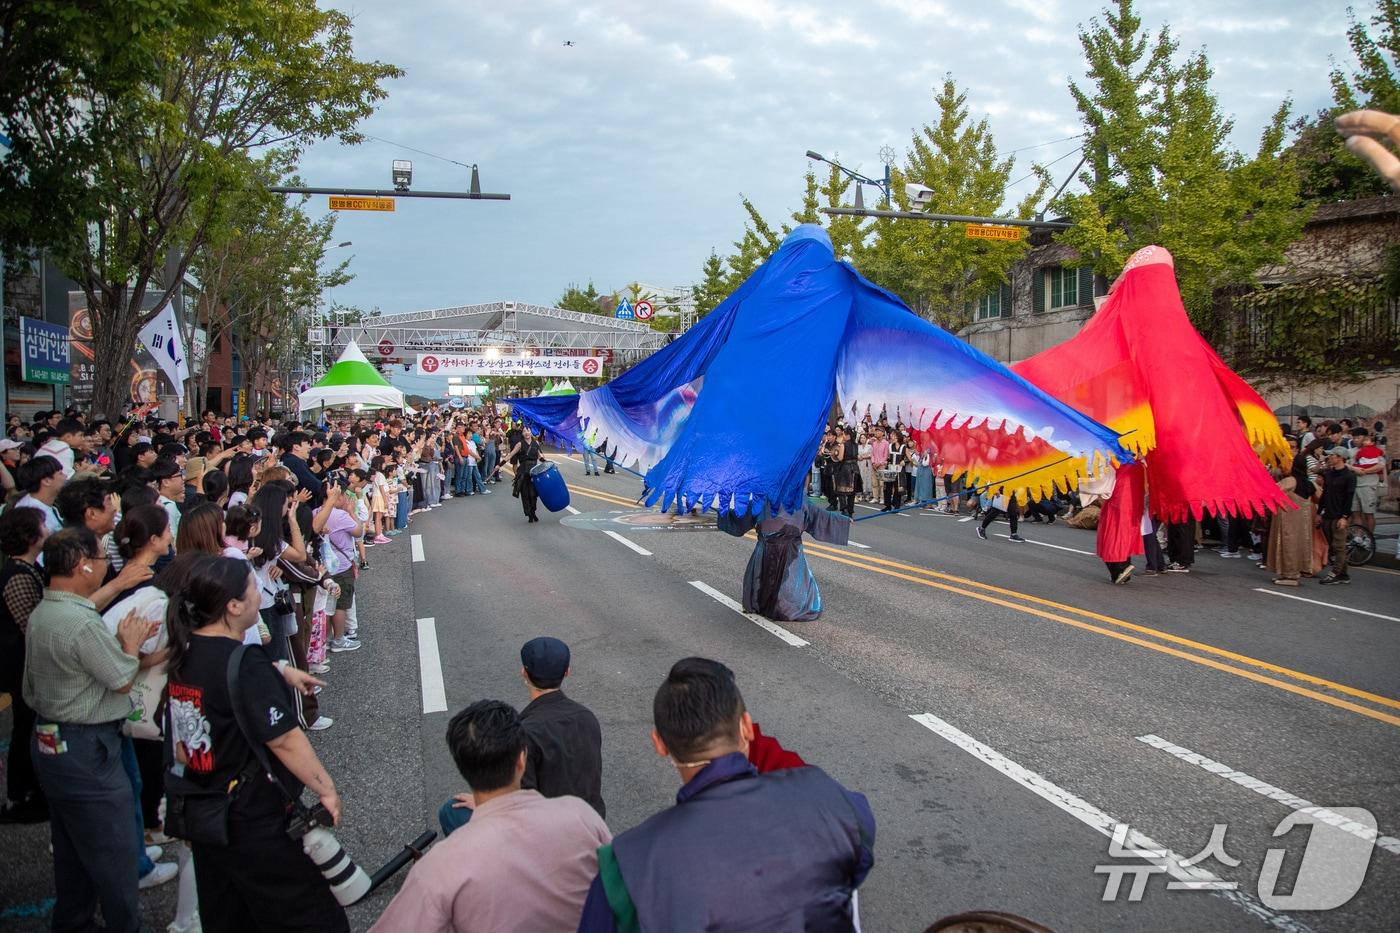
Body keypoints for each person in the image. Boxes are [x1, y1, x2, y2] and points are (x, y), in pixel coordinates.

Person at [577, 658, 875, 933]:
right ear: (746, 726)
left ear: (659, 743)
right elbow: (856, 864)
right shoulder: (832, 800)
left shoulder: (627, 864)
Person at [161, 555, 343, 933]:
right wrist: (325, 789)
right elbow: (285, 740)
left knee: (229, 914)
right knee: (311, 915)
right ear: (232, 606)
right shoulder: (243, 662)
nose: (258, 594)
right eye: (252, 589)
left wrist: (277, 671)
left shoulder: (184, 653)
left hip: (203, 811)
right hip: (252, 816)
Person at [371, 700, 611, 933]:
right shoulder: (580, 815)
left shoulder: (437, 868)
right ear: (521, 759)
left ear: (461, 765)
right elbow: (617, 882)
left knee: (451, 811)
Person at [23, 528, 161, 933]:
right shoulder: (80, 624)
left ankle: (75, 921)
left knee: (72, 847)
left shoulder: (47, 611)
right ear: (82, 565)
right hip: (87, 745)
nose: (106, 567)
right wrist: (130, 642)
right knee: (114, 850)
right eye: (102, 560)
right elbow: (121, 677)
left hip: (51, 738)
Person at [439, 637, 605, 835]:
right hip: (589, 822)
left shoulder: (524, 732)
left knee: (451, 812)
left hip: (545, 833)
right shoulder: (587, 717)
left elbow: (521, 799)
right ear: (567, 671)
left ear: (524, 672)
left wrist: (484, 804)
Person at [0, 507, 48, 823]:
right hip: (20, 666)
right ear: (30, 536)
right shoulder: (17, 576)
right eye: (42, 525)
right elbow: (30, 626)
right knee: (25, 726)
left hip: (26, 664)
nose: (47, 528)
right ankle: (20, 794)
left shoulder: (27, 569)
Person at [1265, 436, 1315, 587]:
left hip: (1288, 520)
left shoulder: (1290, 481)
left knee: (1288, 545)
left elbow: (1270, 491)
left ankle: (1290, 576)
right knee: (1298, 544)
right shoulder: (1307, 482)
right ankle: (1292, 573)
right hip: (1301, 522)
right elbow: (1318, 494)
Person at [1318, 449, 1357, 585]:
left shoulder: (1350, 476)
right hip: (1328, 514)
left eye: (1333, 455)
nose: (1330, 457)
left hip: (1340, 515)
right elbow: (1324, 494)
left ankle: (1335, 572)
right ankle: (1343, 574)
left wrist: (1344, 517)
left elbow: (1349, 497)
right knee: (1333, 546)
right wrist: (1319, 512)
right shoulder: (1329, 474)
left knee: (1339, 546)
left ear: (1341, 458)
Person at [14, 454, 66, 533]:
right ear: (46, 481)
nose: (65, 476)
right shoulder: (31, 515)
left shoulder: (44, 503)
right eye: (60, 473)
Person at [1349, 427, 1385, 536]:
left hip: (1368, 485)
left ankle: (1369, 538)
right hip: (1354, 485)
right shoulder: (1351, 451)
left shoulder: (1375, 450)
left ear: (1365, 438)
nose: (1355, 440)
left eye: (1358, 437)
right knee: (1355, 513)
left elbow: (1380, 466)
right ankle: (1358, 537)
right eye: (1354, 438)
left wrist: (1364, 471)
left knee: (1368, 514)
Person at [508, 426, 544, 522]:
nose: (526, 432)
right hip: (523, 473)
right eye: (524, 431)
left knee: (533, 494)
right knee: (525, 494)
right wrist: (499, 465)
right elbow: (510, 455)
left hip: (534, 472)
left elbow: (540, 456)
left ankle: (533, 511)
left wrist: (547, 463)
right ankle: (529, 514)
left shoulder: (535, 443)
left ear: (531, 432)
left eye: (528, 430)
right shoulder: (519, 444)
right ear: (522, 433)